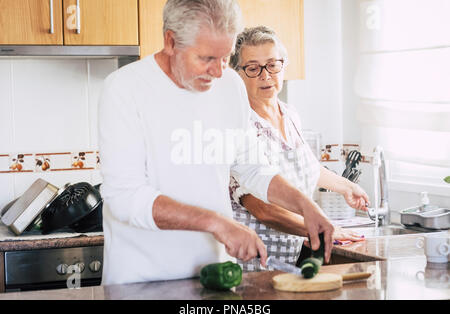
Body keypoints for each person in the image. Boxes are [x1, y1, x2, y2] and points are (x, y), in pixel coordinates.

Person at [98, 0, 335, 286]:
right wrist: (217, 223)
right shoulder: (125, 89)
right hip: (143, 279)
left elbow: (253, 169)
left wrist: (306, 206)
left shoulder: (230, 86)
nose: (219, 71)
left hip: (219, 275)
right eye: (207, 58)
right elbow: (125, 197)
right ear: (171, 41)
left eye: (226, 57)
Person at [229, 26, 370, 271]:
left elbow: (307, 168)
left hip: (287, 257)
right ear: (237, 74)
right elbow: (262, 209)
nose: (266, 75)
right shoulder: (237, 124)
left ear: (284, 65)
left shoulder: (289, 114)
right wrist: (325, 227)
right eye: (253, 68)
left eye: (273, 64)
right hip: (248, 263)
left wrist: (346, 186)